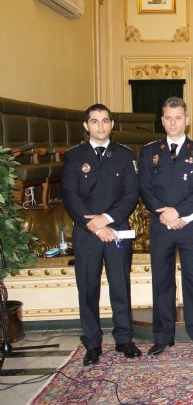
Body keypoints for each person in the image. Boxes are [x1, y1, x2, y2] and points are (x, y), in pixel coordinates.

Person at [61, 103, 141, 366]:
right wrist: (95, 226)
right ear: (86, 126)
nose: (101, 126)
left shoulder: (124, 155)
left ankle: (124, 339)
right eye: (94, 121)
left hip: (116, 230)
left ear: (112, 124)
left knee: (120, 285)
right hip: (86, 234)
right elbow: (71, 197)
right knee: (88, 288)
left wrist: (106, 220)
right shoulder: (74, 156)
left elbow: (131, 194)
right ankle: (93, 343)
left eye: (105, 121)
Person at [138, 97, 193, 355]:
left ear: (187, 120)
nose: (173, 122)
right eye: (168, 118)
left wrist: (178, 212)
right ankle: (162, 336)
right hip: (161, 225)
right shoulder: (149, 151)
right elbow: (145, 188)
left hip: (190, 224)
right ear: (162, 120)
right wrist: (166, 214)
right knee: (162, 281)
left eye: (178, 117)